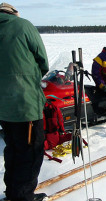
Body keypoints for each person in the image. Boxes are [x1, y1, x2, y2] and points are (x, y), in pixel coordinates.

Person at [0, 3, 49, 201]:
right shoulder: (23, 25)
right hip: (25, 102)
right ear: (14, 13)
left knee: (12, 148)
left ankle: (12, 191)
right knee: (31, 150)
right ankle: (23, 196)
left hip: (3, 105)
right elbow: (43, 60)